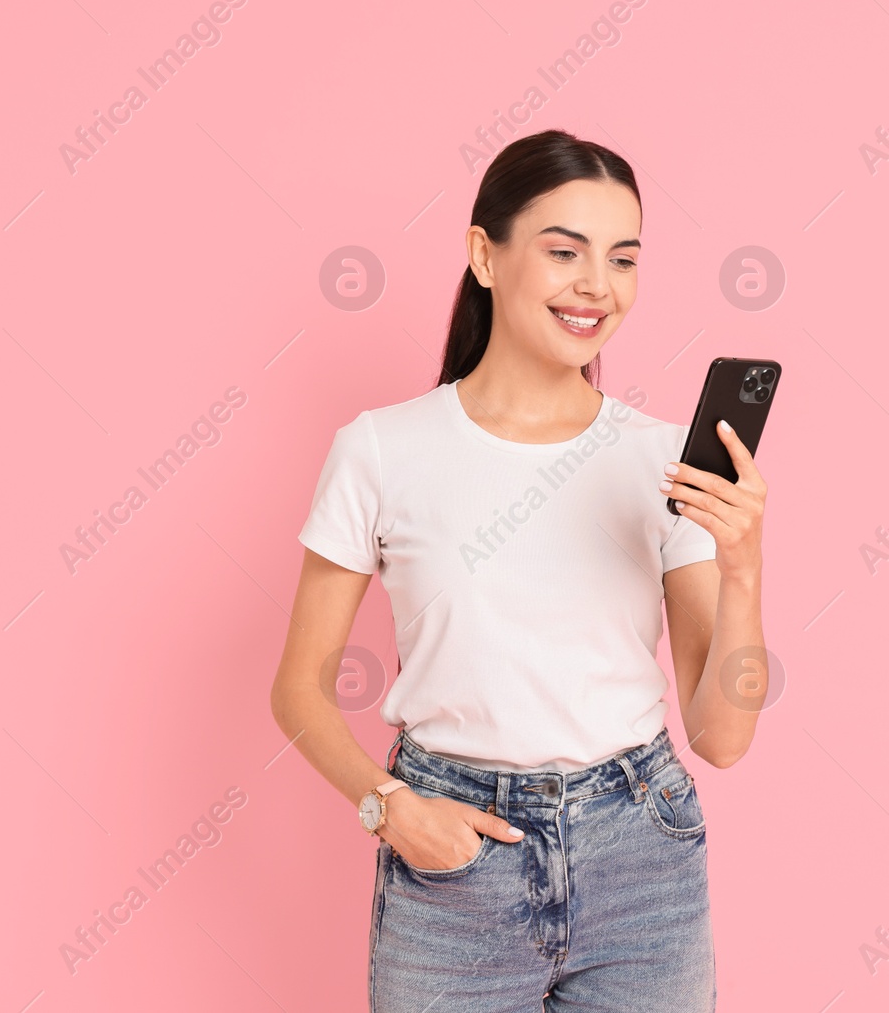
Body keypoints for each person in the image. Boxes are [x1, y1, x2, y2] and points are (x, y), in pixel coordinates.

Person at [270, 129, 770, 1012]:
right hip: (455, 856)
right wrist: (389, 806)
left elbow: (723, 739)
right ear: (484, 256)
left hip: (640, 854)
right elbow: (300, 689)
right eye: (563, 251)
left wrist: (742, 567)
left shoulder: (663, 461)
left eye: (623, 258)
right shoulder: (383, 449)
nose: (596, 286)